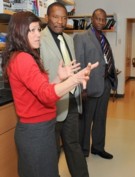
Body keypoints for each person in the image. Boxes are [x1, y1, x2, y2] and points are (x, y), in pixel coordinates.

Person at [1, 11, 98, 177]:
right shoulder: (24, 58)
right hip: (36, 133)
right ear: (19, 31)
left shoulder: (21, 56)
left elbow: (40, 89)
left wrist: (58, 78)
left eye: (39, 29)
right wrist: (74, 79)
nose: (38, 34)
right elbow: (46, 95)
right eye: (32, 30)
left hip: (38, 131)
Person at [40, 2, 90, 177]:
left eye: (64, 17)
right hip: (52, 103)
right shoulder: (39, 39)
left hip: (72, 101)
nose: (60, 21)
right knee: (52, 150)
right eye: (55, 16)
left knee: (73, 144)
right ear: (47, 17)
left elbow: (72, 68)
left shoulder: (69, 39)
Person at [74, 8, 118, 159]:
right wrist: (82, 88)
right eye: (98, 18)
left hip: (105, 84)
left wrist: (112, 79)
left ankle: (98, 147)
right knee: (86, 121)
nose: (100, 22)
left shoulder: (103, 38)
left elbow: (106, 58)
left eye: (103, 19)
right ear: (92, 19)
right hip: (90, 87)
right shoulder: (81, 37)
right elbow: (79, 64)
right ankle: (83, 150)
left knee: (100, 119)